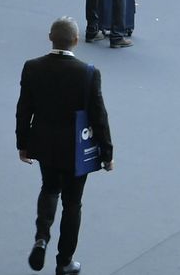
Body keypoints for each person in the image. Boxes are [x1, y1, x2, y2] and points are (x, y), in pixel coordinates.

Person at [17, 17, 113, 275]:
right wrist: (107, 153)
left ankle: (41, 237)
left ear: (50, 37)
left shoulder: (32, 67)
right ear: (76, 41)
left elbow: (23, 109)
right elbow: (99, 117)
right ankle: (65, 261)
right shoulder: (88, 73)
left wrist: (23, 143)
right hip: (76, 149)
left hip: (44, 144)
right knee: (73, 203)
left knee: (49, 188)